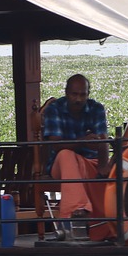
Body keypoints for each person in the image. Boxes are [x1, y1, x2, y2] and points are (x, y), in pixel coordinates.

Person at [42, 74, 112, 237]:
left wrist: (103, 166)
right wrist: (82, 141)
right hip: (61, 165)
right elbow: (55, 145)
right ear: (66, 93)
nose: (78, 99)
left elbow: (103, 140)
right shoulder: (55, 109)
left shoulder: (96, 108)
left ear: (88, 94)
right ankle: (77, 211)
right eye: (74, 94)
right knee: (66, 155)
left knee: (113, 169)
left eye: (83, 94)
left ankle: (108, 225)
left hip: (89, 162)